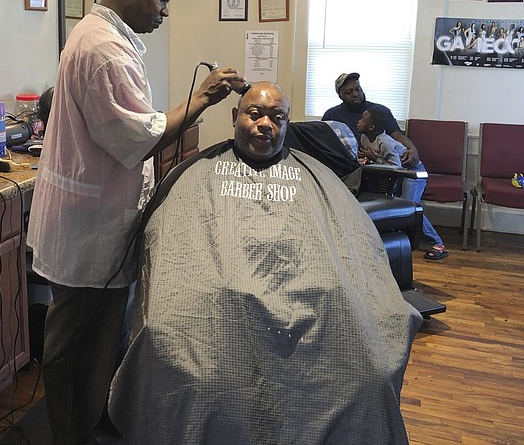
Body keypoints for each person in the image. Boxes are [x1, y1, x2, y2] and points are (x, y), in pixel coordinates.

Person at [108, 82, 422, 444]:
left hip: (311, 299)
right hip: (217, 306)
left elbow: (354, 244)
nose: (265, 124)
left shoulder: (313, 176)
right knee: (177, 356)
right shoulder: (198, 173)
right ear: (234, 117)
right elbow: (173, 248)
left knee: (369, 372)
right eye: (254, 114)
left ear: (287, 125)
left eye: (277, 117)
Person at [26, 0, 246, 445]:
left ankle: (96, 416)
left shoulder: (101, 35)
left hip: (96, 218)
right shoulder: (102, 49)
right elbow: (139, 134)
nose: (165, 11)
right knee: (77, 343)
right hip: (89, 227)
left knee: (103, 339)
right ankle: (71, 434)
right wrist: (204, 97)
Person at [356, 108, 447, 259]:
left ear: (371, 127)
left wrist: (374, 158)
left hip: (413, 172)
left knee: (410, 206)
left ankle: (437, 243)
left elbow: (395, 168)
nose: (358, 121)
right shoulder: (364, 138)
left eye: (362, 120)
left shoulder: (386, 143)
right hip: (397, 174)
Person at [321, 72, 420, 166]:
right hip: (347, 164)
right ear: (340, 96)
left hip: (380, 165)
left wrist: (413, 149)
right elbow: (322, 143)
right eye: (349, 92)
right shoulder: (332, 115)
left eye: (358, 89)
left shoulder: (380, 111)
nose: (355, 94)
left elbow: (397, 135)